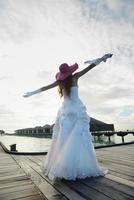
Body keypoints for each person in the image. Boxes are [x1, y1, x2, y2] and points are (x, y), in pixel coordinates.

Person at [23, 53, 113, 182]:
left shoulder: (60, 82)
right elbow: (90, 67)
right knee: (78, 138)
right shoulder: (75, 77)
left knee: (63, 139)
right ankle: (78, 166)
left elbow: (45, 88)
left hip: (65, 111)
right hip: (76, 110)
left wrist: (31, 93)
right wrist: (102, 58)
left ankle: (64, 166)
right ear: (70, 72)